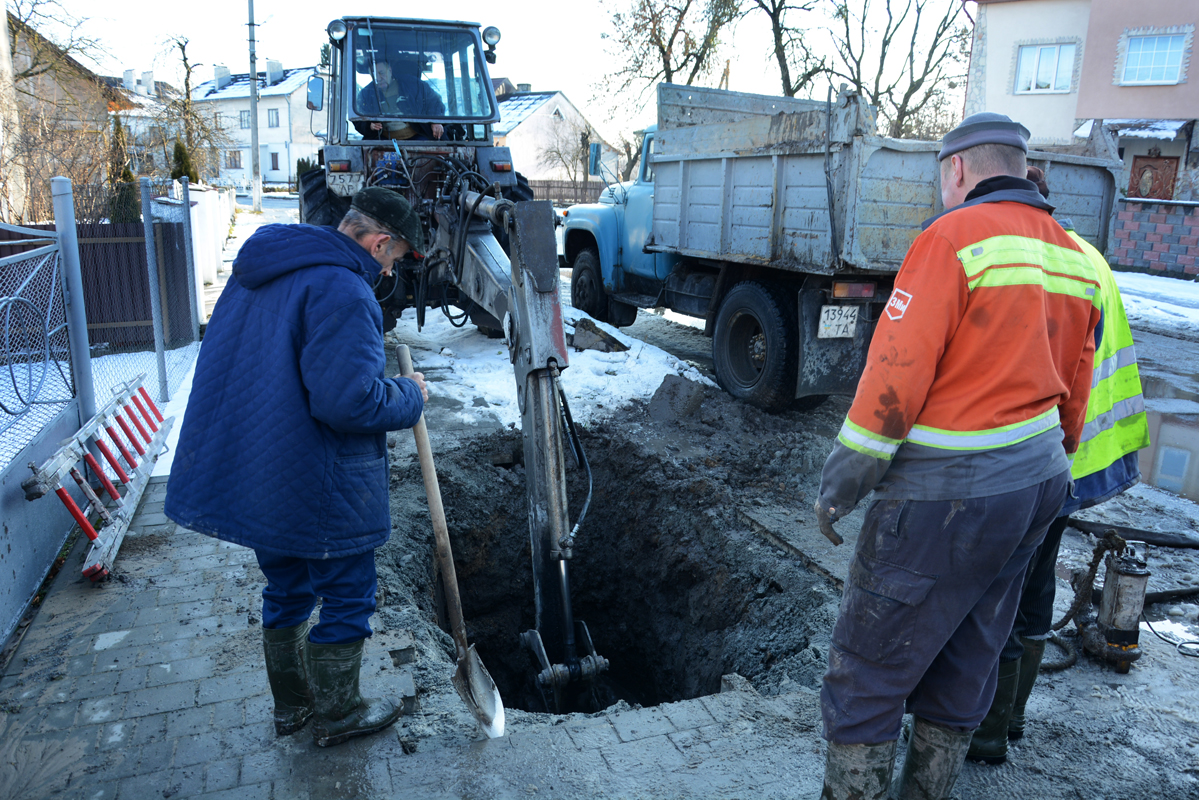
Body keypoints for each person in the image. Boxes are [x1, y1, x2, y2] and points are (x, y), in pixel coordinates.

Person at [814, 114, 1103, 800]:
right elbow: (1077, 383)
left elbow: (895, 375)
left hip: (946, 497)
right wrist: (1044, 469)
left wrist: (843, 483)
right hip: (1036, 483)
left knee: (869, 667)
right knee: (971, 649)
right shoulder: (1071, 253)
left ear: (956, 170)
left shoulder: (950, 238)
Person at [165, 188, 429, 748]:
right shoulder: (343, 290)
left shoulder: (264, 269)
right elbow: (349, 402)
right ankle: (339, 712)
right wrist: (409, 395)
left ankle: (292, 708)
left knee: (286, 589)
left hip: (264, 473)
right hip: (321, 480)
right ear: (379, 242)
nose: (392, 268)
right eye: (397, 256)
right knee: (348, 595)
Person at [966, 167, 1151, 765]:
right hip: (1082, 455)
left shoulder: (1044, 262)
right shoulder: (1090, 257)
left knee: (1002, 590)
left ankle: (987, 731)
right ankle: (1011, 722)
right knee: (1036, 584)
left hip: (1046, 453)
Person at [355, 59, 445, 141]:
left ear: (390, 70)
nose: (378, 78)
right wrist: (369, 126)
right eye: (374, 75)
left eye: (381, 73)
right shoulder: (365, 94)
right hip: (384, 139)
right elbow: (358, 119)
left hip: (416, 137)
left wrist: (435, 121)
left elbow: (435, 102)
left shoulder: (414, 85)